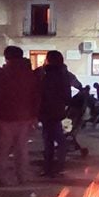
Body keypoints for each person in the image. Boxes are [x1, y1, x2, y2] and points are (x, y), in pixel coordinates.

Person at [0, 46, 39, 186]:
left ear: (6, 57)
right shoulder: (29, 74)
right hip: (25, 116)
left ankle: (2, 177)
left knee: (3, 150)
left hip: (5, 116)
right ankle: (23, 177)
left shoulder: (3, 73)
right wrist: (34, 114)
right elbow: (36, 95)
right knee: (22, 149)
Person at [38, 50, 74, 178]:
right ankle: (57, 166)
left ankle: (50, 167)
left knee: (50, 140)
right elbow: (67, 96)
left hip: (47, 112)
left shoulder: (45, 74)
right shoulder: (63, 74)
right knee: (57, 139)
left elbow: (40, 94)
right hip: (57, 111)